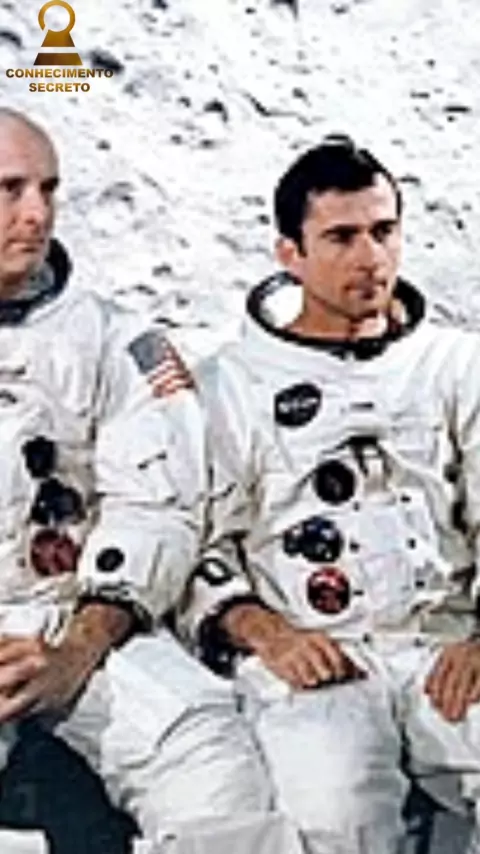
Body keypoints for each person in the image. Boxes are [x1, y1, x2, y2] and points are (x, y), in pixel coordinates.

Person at [0, 107, 287, 853]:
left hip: (71, 617)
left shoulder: (125, 345)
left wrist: (78, 650)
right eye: (9, 189)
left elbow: (156, 510)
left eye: (48, 189)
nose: (36, 214)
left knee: (205, 758)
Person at [184, 135, 480, 853]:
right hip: (317, 655)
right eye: (342, 238)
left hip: (444, 645)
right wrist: (267, 633)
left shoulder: (456, 365)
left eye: (384, 231)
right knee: (335, 812)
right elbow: (197, 545)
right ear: (290, 253)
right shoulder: (229, 386)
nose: (370, 257)